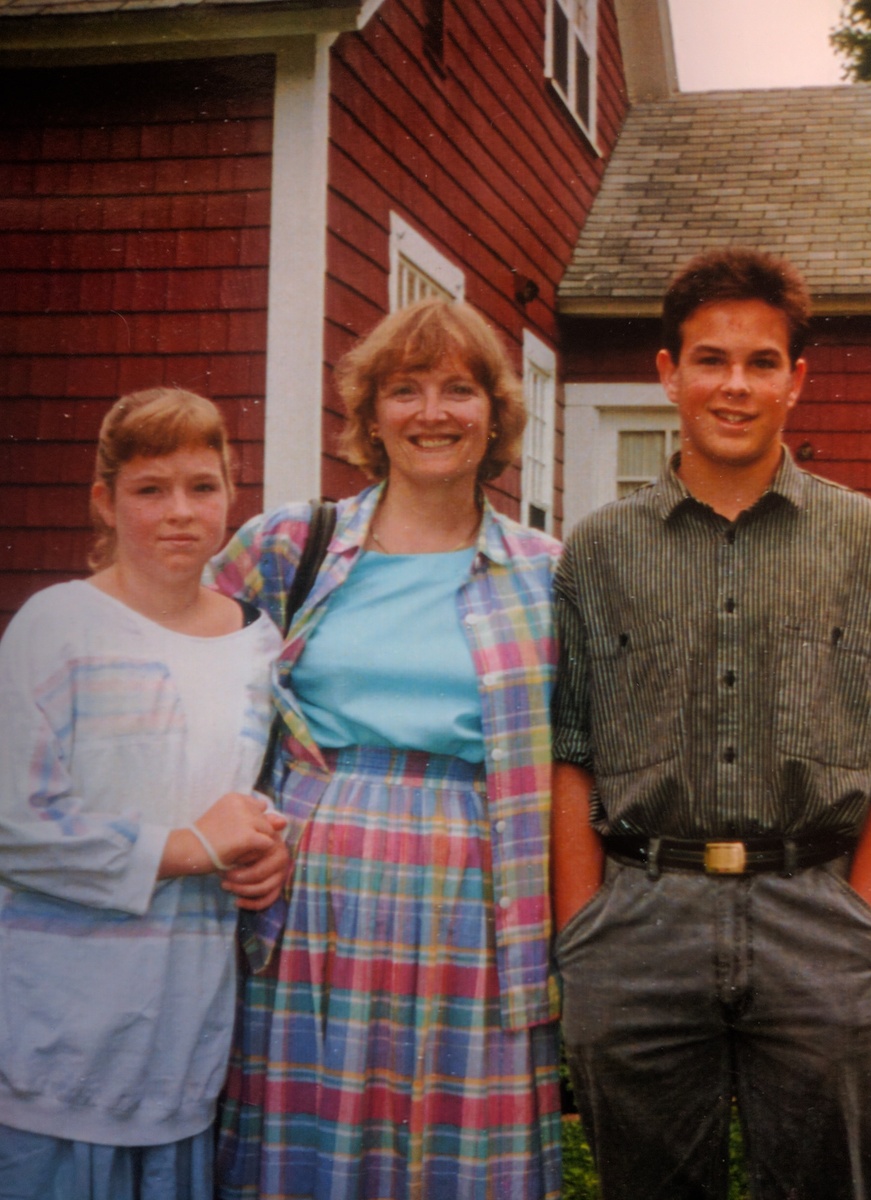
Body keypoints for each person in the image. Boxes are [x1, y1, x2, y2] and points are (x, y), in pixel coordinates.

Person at [551, 248, 871, 1200]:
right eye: (710, 360)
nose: (733, 386)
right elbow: (570, 752)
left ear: (797, 380)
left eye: (759, 363)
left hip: (815, 916)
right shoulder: (598, 551)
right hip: (640, 921)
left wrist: (863, 923)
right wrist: (585, 931)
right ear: (669, 373)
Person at [211, 297, 563, 1200]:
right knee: (311, 1147)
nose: (432, 413)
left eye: (458, 389)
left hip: (478, 901)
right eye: (404, 390)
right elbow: (187, 680)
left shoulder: (549, 575)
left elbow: (582, 758)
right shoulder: (293, 547)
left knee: (458, 1154)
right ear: (370, 416)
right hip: (312, 897)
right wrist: (219, 826)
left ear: (495, 415)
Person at [0, 387, 290, 1200]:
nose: (179, 512)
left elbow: (256, 801)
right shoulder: (56, 626)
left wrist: (270, 855)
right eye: (149, 489)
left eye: (202, 487)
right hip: (53, 1055)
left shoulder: (256, 647)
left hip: (182, 1055)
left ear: (232, 496)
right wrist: (186, 848)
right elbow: (14, 827)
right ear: (105, 500)